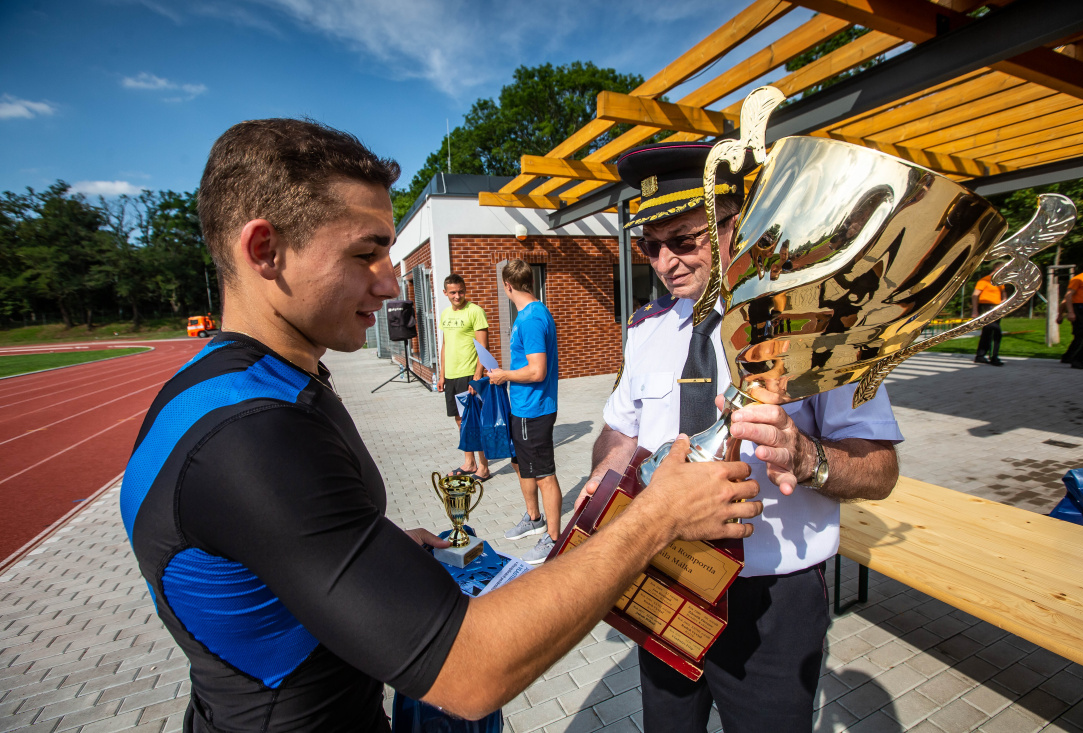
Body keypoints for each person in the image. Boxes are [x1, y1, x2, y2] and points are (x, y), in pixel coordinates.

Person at [120, 119, 764, 732]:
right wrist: (658, 517)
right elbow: (468, 671)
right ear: (266, 250)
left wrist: (367, 550)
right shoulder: (253, 436)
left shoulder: (225, 385)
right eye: (367, 252)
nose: (391, 283)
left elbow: (261, 557)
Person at [577, 141, 903, 733]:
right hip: (662, 573)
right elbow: (619, 430)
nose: (666, 262)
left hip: (771, 604)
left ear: (739, 225)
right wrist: (603, 480)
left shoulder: (819, 325)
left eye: (685, 240)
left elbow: (879, 469)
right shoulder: (647, 331)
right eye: (651, 245)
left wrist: (807, 457)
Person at [488, 259, 561, 564]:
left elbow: (536, 371)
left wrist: (503, 375)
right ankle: (533, 518)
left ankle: (553, 540)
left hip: (534, 408)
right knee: (521, 463)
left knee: (544, 474)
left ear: (508, 286)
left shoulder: (531, 319)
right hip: (522, 406)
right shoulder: (530, 313)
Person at [436, 273, 491, 478]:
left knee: (475, 421)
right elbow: (445, 345)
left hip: (469, 374)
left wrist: (477, 376)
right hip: (451, 376)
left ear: (465, 290)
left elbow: (483, 346)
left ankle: (484, 467)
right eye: (452, 293)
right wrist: (442, 375)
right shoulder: (445, 314)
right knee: (460, 420)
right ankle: (469, 463)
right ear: (445, 293)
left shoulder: (475, 311)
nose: (457, 296)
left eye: (460, 292)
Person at [971, 270, 1006, 366]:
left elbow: (1003, 292)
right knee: (995, 330)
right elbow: (975, 295)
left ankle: (980, 356)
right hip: (986, 306)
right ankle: (993, 357)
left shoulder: (1000, 281)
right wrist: (975, 310)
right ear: (997, 270)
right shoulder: (984, 280)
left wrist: (1004, 300)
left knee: (987, 332)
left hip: (996, 307)